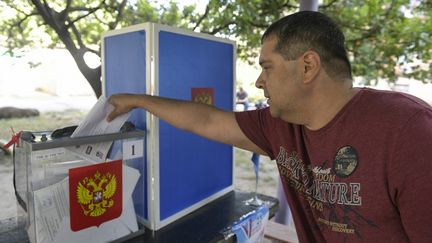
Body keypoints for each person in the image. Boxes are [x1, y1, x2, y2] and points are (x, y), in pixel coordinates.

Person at [107, 11, 432, 242]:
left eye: (267, 66)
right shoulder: (280, 125)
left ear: (308, 66)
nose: (259, 81)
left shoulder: (408, 131)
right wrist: (136, 99)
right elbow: (206, 119)